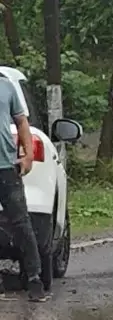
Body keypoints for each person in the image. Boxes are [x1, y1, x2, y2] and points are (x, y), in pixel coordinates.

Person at [0, 77, 43, 301]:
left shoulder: (6, 86)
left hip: (6, 167)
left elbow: (22, 122)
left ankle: (34, 279)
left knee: (21, 223)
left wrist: (28, 156)